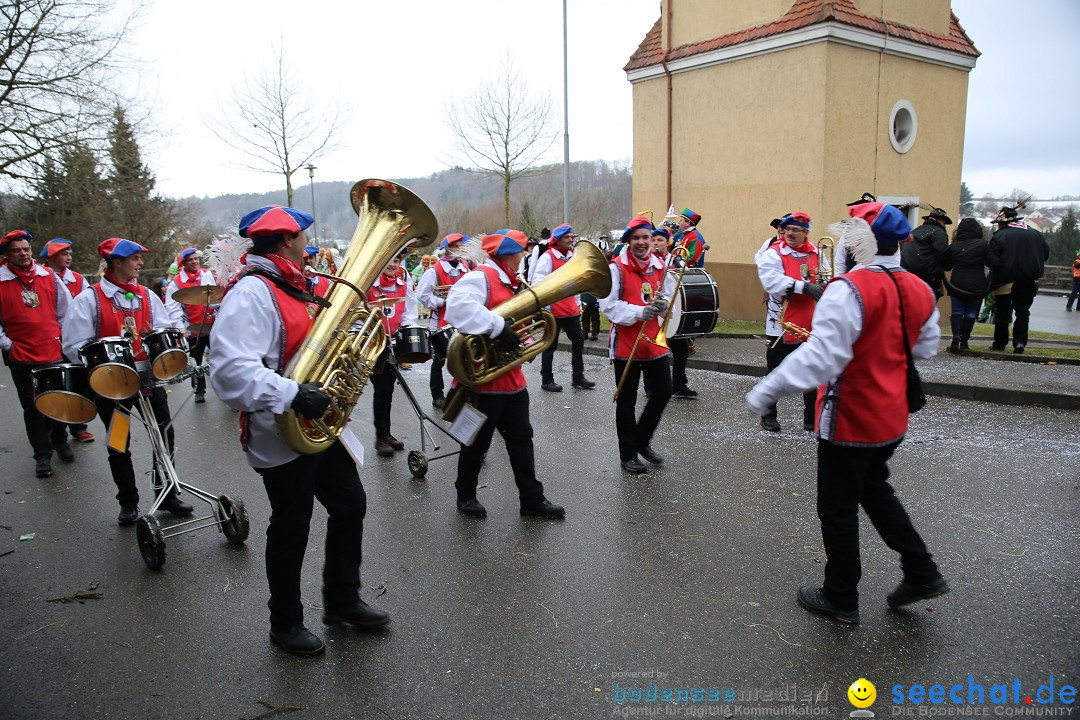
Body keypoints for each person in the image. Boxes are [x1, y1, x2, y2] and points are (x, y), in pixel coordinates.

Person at [745, 201, 949, 624]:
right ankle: (921, 570)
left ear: (858, 242)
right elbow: (926, 346)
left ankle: (840, 596)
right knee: (874, 489)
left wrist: (768, 389)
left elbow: (822, 357)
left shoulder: (849, 289)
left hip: (849, 417)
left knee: (837, 507)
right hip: (891, 415)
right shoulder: (917, 287)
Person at [211, 204, 388, 657]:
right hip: (280, 428)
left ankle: (341, 600)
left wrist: (357, 350)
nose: (308, 248)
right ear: (287, 240)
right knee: (292, 527)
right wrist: (291, 394)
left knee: (350, 505)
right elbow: (230, 374)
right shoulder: (251, 293)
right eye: (303, 239)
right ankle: (284, 622)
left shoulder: (295, 286)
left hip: (318, 426)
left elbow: (316, 344)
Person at [62, 238, 193, 524]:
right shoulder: (89, 298)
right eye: (135, 258)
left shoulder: (146, 294)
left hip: (149, 381)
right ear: (117, 262)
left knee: (164, 435)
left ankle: (168, 492)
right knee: (118, 442)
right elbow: (74, 345)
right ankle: (128, 501)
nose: (140, 263)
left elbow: (161, 328)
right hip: (114, 387)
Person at [443, 229, 565, 520]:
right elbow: (457, 308)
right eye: (520, 251)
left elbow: (515, 325)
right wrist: (498, 327)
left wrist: (525, 342)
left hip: (511, 381)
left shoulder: (512, 282)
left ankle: (532, 499)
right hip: (481, 383)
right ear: (511, 254)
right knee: (476, 443)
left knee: (522, 441)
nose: (523, 256)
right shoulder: (481, 277)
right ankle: (466, 493)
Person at [598, 216, 676, 474]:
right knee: (626, 401)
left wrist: (665, 306)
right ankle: (628, 453)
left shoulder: (660, 264)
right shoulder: (616, 268)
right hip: (626, 344)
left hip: (653, 341)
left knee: (664, 390)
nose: (642, 242)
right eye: (637, 238)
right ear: (628, 241)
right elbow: (608, 307)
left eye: (646, 237)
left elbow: (665, 295)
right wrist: (640, 312)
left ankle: (641, 440)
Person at [0, 230, 73, 478]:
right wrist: (8, 345)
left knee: (59, 400)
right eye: (16, 251)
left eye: (26, 249)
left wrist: (61, 338)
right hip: (21, 355)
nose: (23, 254)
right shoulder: (1, 280)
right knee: (32, 407)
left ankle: (60, 440)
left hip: (53, 350)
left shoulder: (49, 276)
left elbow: (66, 309)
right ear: (7, 255)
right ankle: (42, 455)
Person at [755, 212, 827, 432]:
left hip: (811, 320)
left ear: (806, 232)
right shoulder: (773, 253)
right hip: (781, 323)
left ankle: (811, 418)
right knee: (775, 370)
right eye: (787, 229)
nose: (790, 233)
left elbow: (825, 276)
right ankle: (768, 415)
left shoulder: (817, 252)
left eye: (796, 230)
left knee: (813, 371)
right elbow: (771, 281)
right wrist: (803, 287)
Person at [40, 237, 94, 443]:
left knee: (77, 383)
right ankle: (52, 430)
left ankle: (79, 427)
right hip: (50, 341)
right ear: (51, 256)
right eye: (64, 254)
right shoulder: (41, 277)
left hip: (73, 340)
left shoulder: (79, 280)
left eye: (70, 253)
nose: (69, 257)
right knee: (53, 387)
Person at [531, 224, 595, 392]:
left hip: (570, 309)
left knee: (579, 341)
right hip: (554, 310)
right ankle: (547, 379)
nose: (571, 240)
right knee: (549, 346)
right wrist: (547, 306)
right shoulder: (547, 257)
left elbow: (576, 282)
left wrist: (578, 301)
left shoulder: (572, 257)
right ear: (557, 239)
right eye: (567, 237)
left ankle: (578, 376)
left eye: (572, 237)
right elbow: (538, 282)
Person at [367, 249, 418, 457]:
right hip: (374, 344)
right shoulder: (371, 285)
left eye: (397, 261)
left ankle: (386, 434)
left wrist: (404, 331)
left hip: (393, 343)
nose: (393, 265)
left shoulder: (403, 285)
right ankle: (380, 437)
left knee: (388, 391)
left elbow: (408, 313)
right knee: (382, 390)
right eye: (390, 261)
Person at [416, 234, 469, 409]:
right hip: (440, 322)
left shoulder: (465, 269)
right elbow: (423, 296)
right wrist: (443, 302)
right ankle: (437, 395)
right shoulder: (434, 271)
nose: (459, 249)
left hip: (462, 321)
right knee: (439, 361)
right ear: (446, 249)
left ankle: (463, 391)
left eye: (461, 246)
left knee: (464, 358)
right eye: (455, 246)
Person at [987, 205, 1049, 353]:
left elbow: (992, 260)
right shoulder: (1036, 234)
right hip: (1029, 280)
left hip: (1005, 281)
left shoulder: (999, 236)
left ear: (1003, 223)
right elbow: (1045, 254)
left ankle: (1000, 344)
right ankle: (1020, 343)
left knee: (1002, 313)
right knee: (1022, 312)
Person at [164, 248, 217, 403]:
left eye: (196, 259)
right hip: (193, 330)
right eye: (190, 260)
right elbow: (173, 309)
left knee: (222, 359)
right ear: (183, 263)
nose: (195, 262)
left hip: (213, 327)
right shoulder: (177, 283)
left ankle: (229, 391)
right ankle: (199, 390)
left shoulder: (208, 275)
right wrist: (181, 329)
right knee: (196, 362)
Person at [652, 226, 696, 398]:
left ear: (668, 243)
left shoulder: (675, 260)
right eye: (654, 240)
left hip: (674, 312)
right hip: (655, 313)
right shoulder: (648, 262)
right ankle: (651, 387)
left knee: (681, 349)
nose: (656, 243)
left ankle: (679, 384)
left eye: (660, 240)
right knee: (653, 349)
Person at [942, 218, 992, 351]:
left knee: (957, 311)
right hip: (977, 283)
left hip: (957, 283)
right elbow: (993, 262)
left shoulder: (954, 246)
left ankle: (956, 337)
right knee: (970, 313)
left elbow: (947, 266)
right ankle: (964, 341)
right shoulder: (982, 244)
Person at [901, 207, 951, 298]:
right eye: (944, 223)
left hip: (908, 276)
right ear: (940, 221)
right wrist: (948, 265)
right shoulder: (939, 233)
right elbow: (942, 253)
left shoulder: (915, 231)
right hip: (928, 278)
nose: (944, 226)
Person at [832, 192, 876, 276]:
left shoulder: (879, 230)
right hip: (852, 279)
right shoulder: (848, 229)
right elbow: (840, 259)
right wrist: (839, 280)